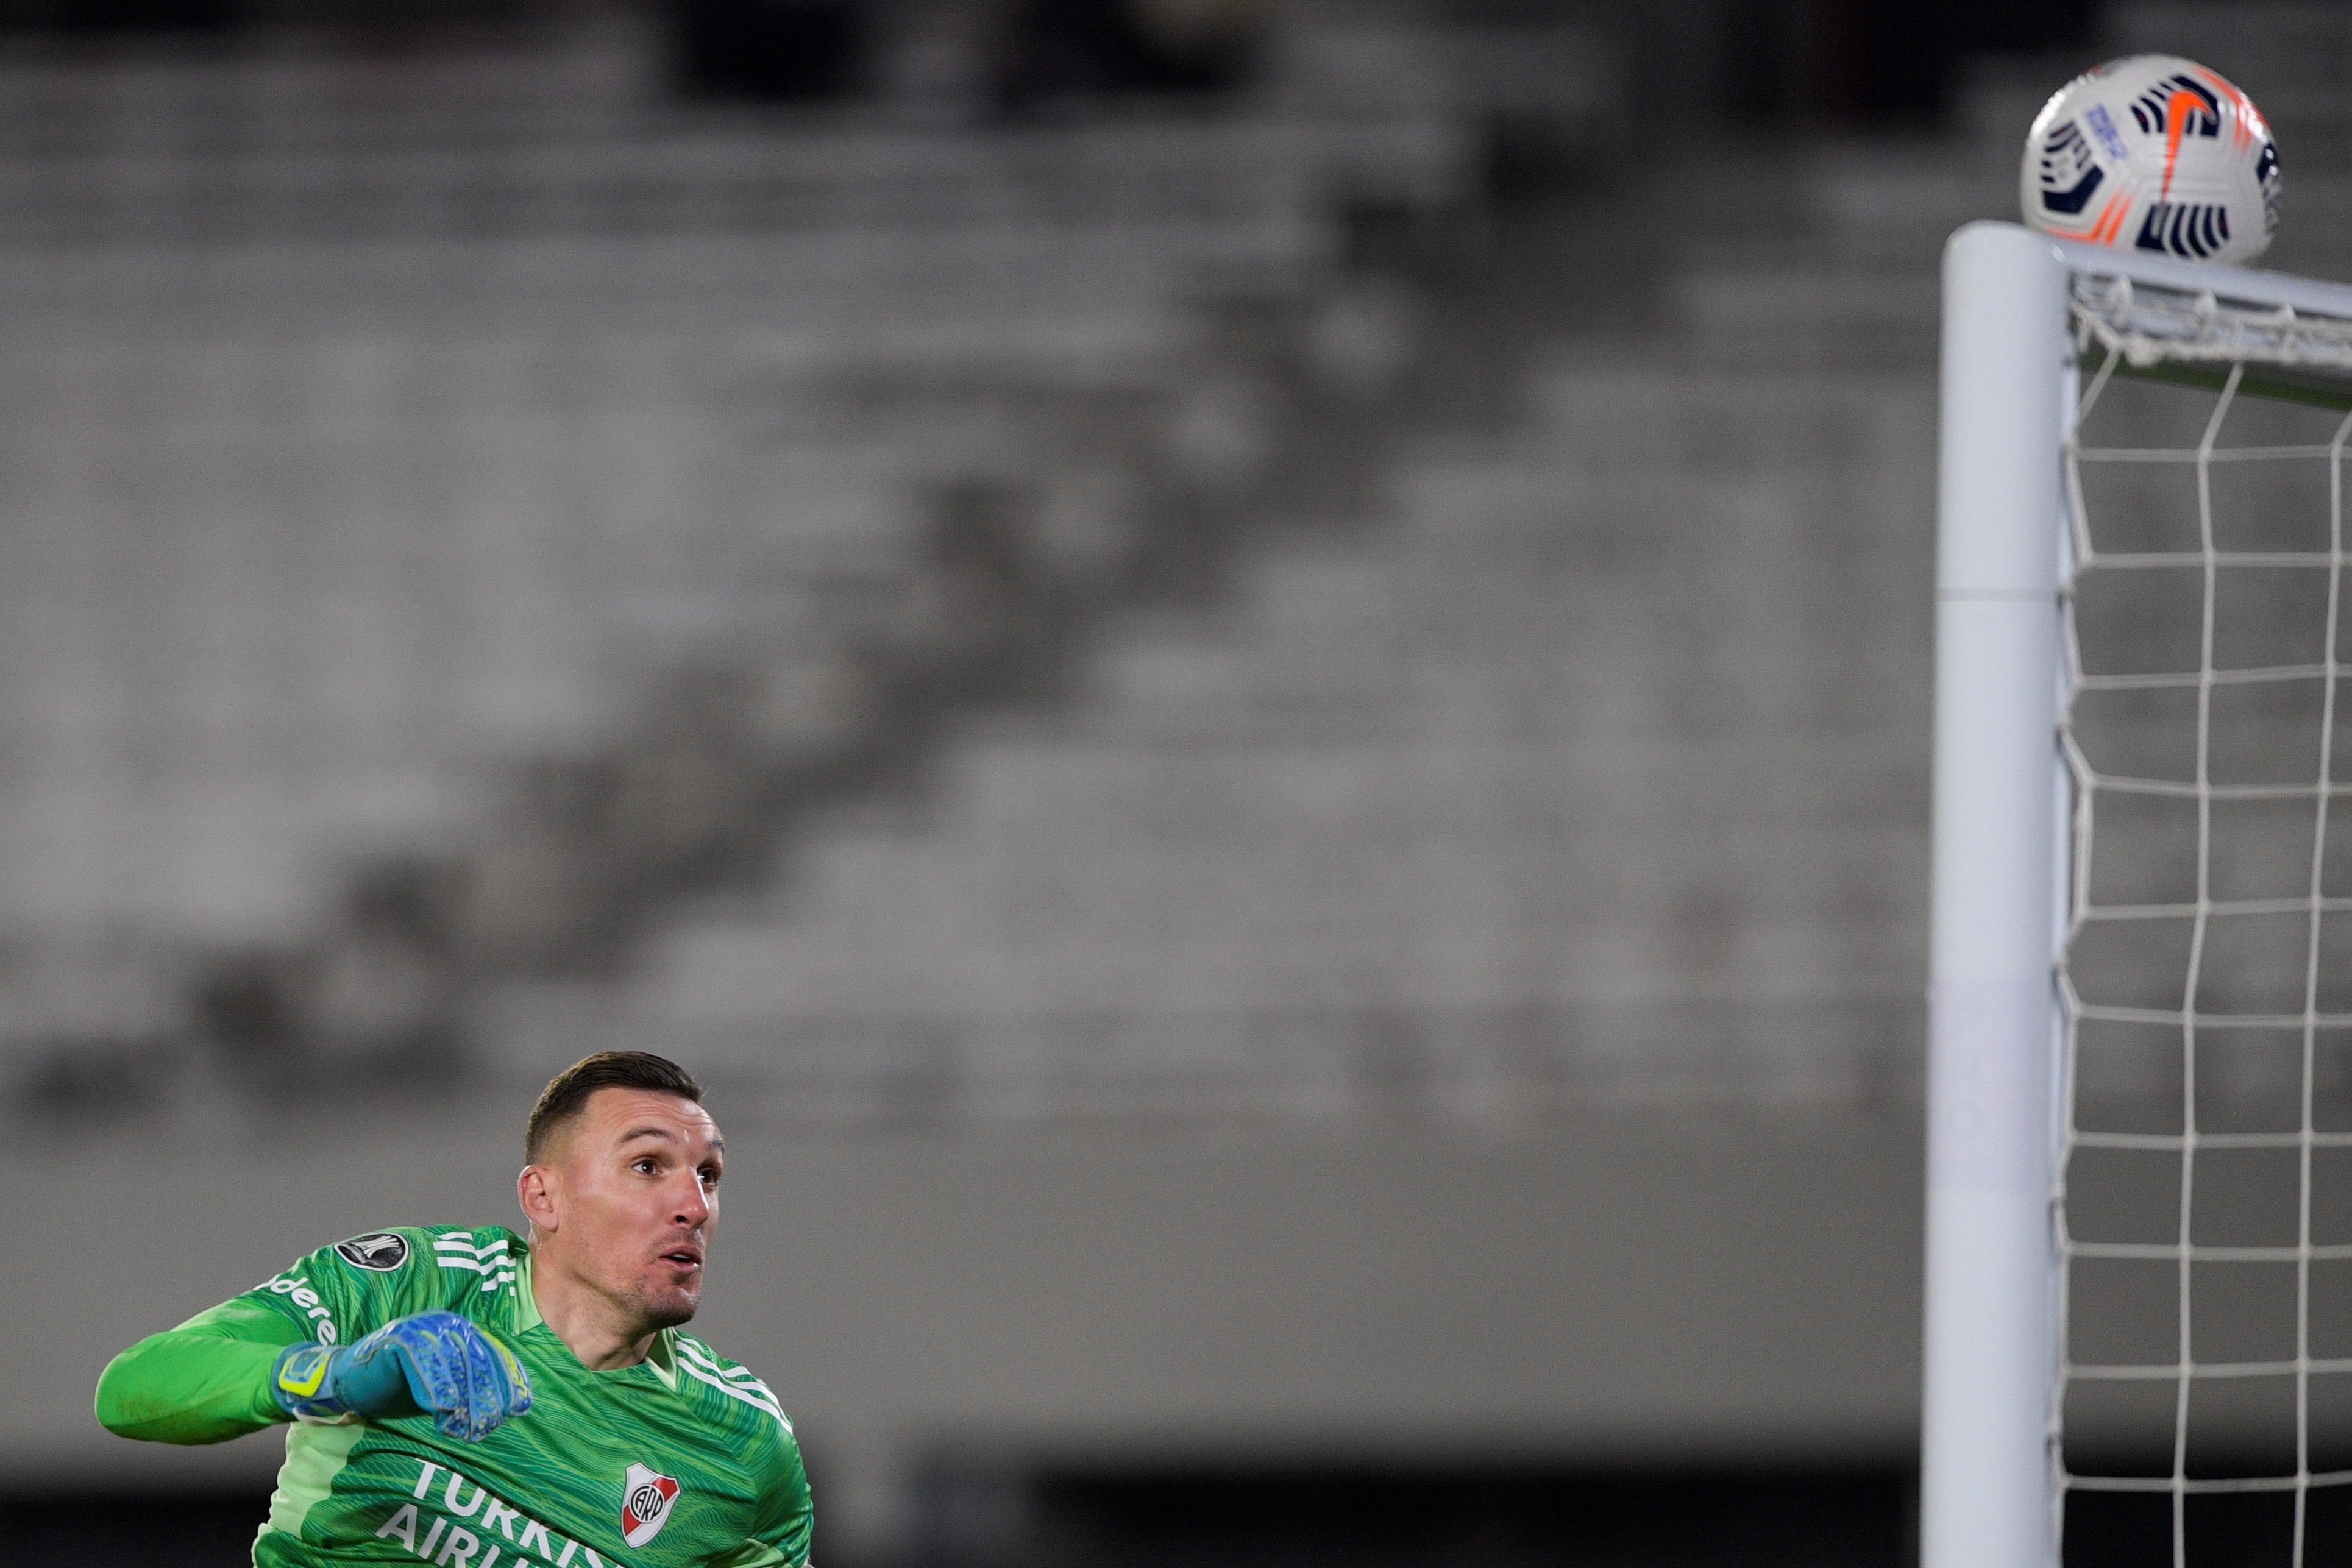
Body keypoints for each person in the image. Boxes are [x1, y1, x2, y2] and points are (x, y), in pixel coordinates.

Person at [94, 1051, 811, 1568]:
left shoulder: (744, 1442)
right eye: (648, 1165)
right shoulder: (419, 1285)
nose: (693, 1205)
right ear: (543, 1198)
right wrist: (338, 1375)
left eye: (709, 1175)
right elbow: (132, 1388)